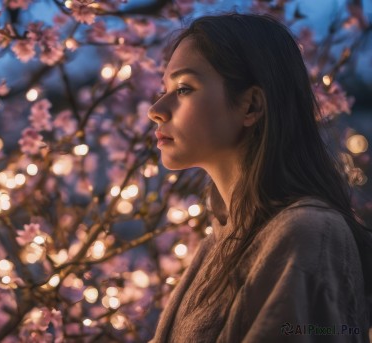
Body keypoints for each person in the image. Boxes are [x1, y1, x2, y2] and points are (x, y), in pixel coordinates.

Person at [147, 13, 372, 342]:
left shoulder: (306, 233)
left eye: (183, 88)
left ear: (251, 105)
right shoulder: (218, 244)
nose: (156, 109)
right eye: (163, 89)